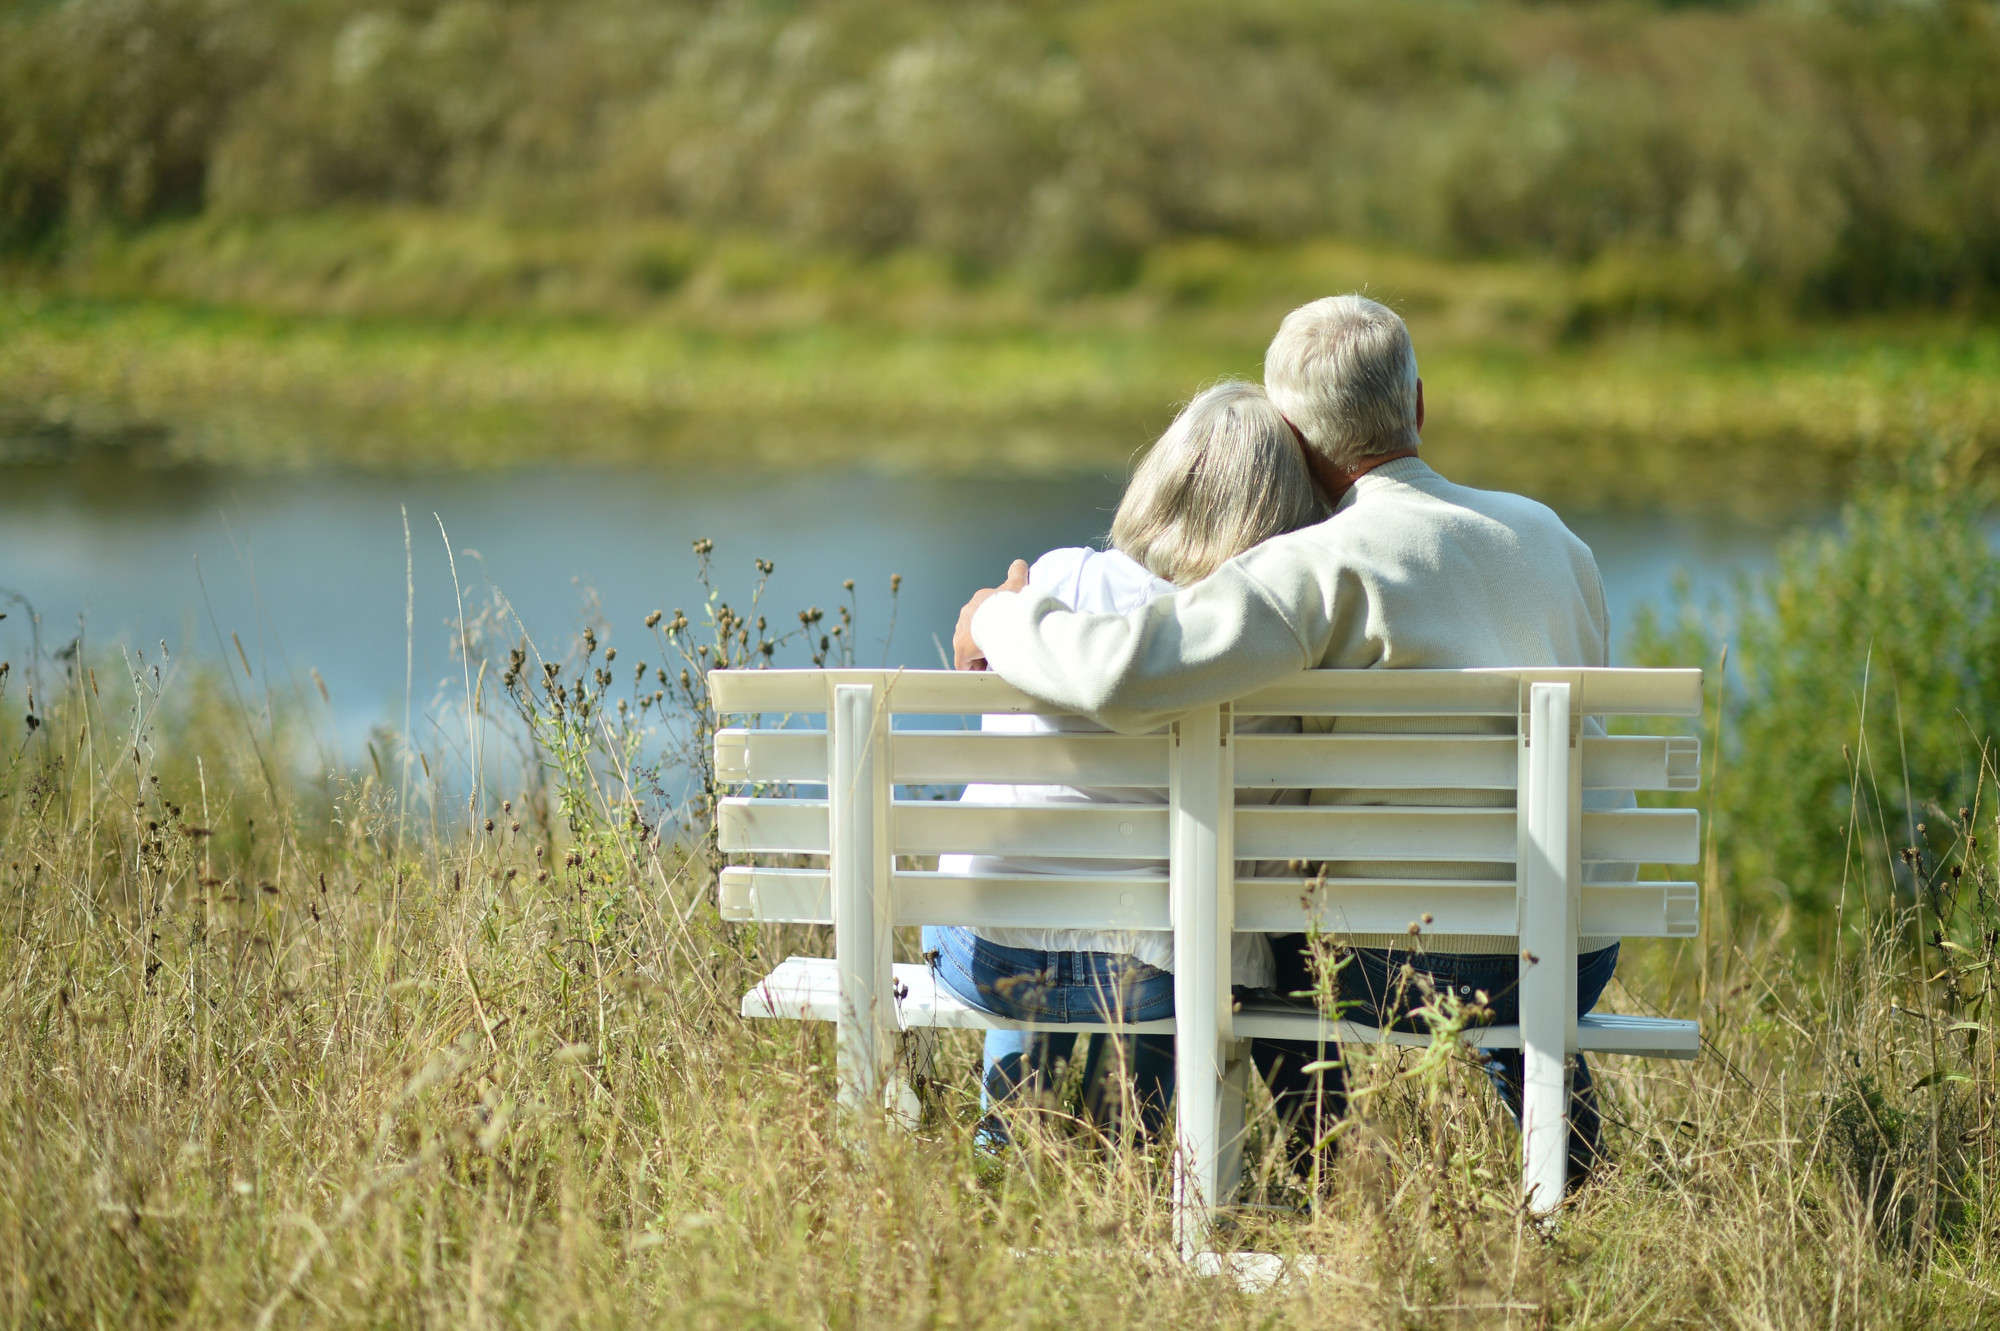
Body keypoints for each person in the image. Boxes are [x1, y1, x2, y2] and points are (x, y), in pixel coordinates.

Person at [952, 295, 1627, 1186]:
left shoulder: (1315, 564)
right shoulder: (1554, 537)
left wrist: (1003, 613)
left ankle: (1306, 1173)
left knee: (1257, 946)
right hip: (1573, 952)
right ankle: (1568, 1172)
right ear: (1418, 403)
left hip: (1396, 972)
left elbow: (1122, 672)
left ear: (1296, 444)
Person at [923, 380, 1325, 1147]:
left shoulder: (1059, 579)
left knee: (1030, 900)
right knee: (1173, 934)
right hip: (1157, 977)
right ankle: (1131, 1151)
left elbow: (982, 677)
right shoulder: (1263, 639)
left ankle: (1004, 1150)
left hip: (993, 953)